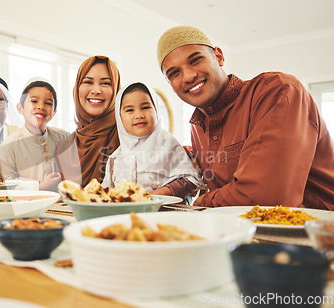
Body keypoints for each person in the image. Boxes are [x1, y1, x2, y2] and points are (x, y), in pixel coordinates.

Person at [156, 25, 334, 210]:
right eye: (174, 73)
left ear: (219, 56)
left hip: (317, 232)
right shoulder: (198, 126)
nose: (189, 76)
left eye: (195, 60)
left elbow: (267, 196)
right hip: (243, 232)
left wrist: (203, 201)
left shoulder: (278, 91)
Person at [102, 82, 205, 198]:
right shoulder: (117, 157)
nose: (139, 115)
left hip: (165, 212)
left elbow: (190, 180)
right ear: (119, 117)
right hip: (128, 213)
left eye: (145, 107)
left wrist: (153, 197)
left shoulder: (168, 144)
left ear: (156, 110)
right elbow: (107, 191)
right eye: (130, 110)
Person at [56, 55, 121, 187]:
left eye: (105, 83)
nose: (96, 90)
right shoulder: (64, 148)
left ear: (116, 90)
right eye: (88, 82)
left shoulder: (127, 138)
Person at [0, 80, 70, 191]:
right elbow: (8, 183)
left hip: (61, 204)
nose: (41, 106)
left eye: (48, 103)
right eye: (34, 101)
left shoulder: (62, 137)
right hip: (28, 204)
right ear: (20, 108)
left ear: (54, 112)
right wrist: (39, 186)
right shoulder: (8, 145)